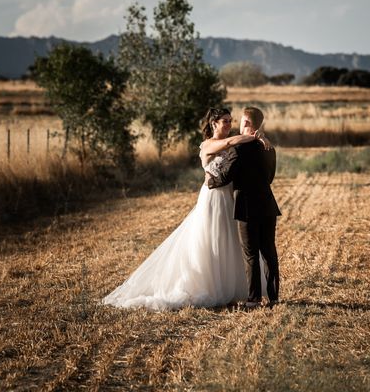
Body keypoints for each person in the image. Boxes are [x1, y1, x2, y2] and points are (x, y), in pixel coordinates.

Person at [102, 108, 268, 310]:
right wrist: (251, 136)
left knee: (230, 241)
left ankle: (231, 288)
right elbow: (229, 143)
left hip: (229, 198)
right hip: (213, 198)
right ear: (214, 123)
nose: (228, 124)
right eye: (224, 121)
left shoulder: (237, 141)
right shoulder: (209, 144)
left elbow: (239, 148)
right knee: (210, 240)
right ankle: (209, 286)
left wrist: (259, 136)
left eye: (230, 120)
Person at [207, 107, 281, 308]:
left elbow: (225, 177)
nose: (237, 125)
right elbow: (270, 177)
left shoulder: (238, 149)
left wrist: (210, 181)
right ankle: (274, 298)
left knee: (250, 254)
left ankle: (254, 299)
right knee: (269, 252)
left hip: (246, 207)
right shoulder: (269, 148)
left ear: (247, 124)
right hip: (267, 206)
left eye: (240, 121)